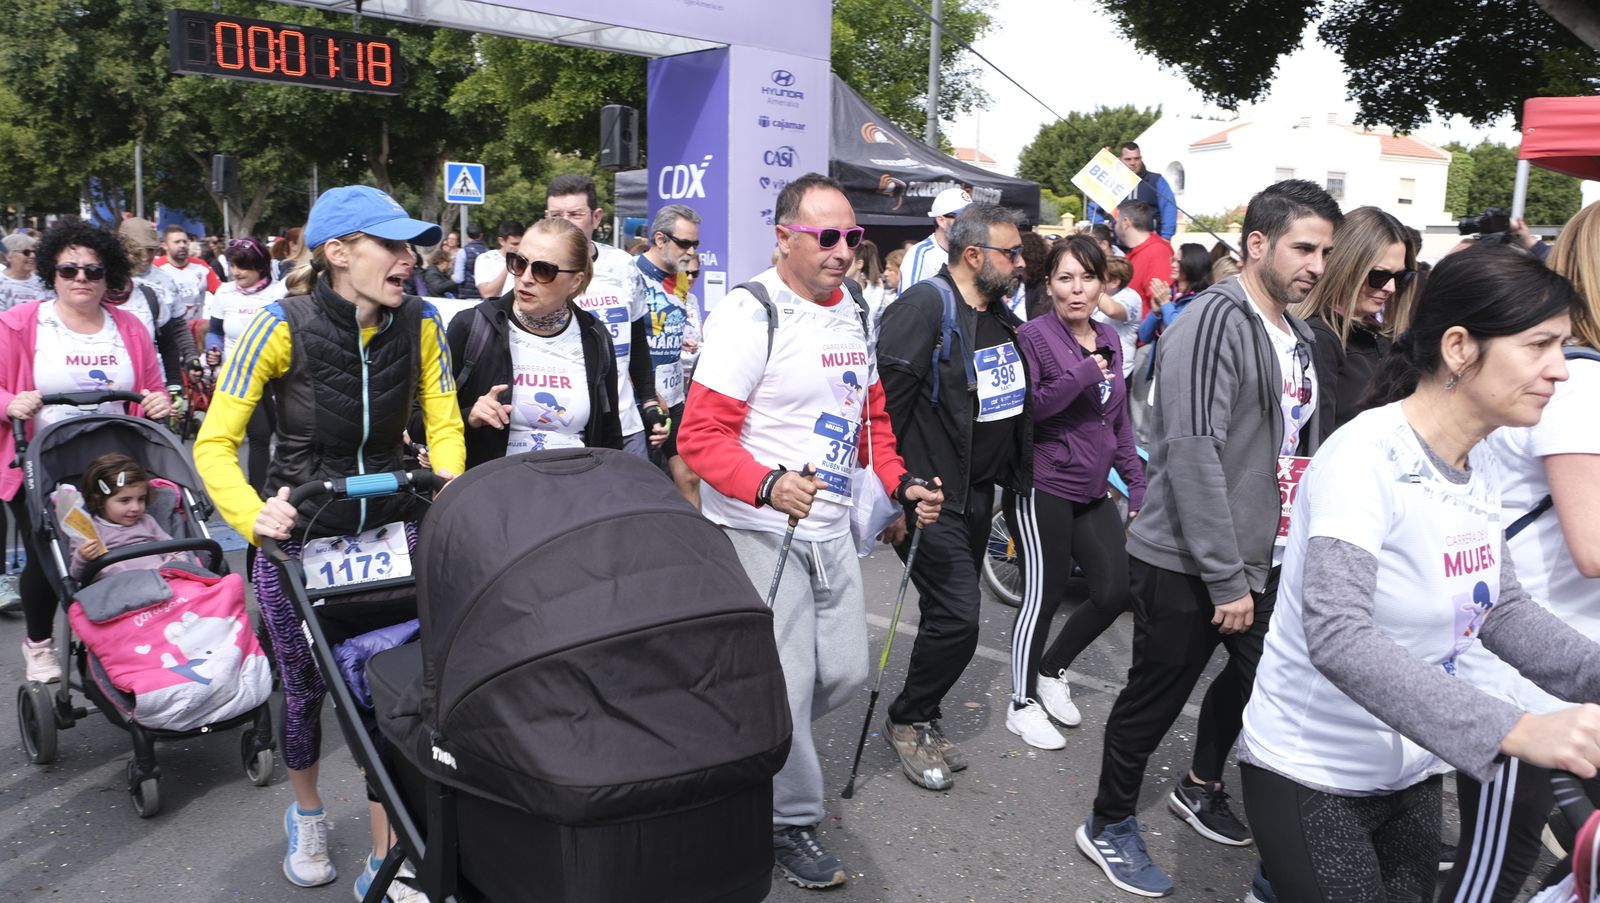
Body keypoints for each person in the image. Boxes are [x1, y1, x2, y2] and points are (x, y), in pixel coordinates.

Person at [1237, 243, 1600, 903]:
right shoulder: (1364, 457)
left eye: (1563, 347)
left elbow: (1499, 609)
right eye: (1540, 346)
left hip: (1410, 770)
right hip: (1310, 772)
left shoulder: (1479, 459)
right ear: (1460, 347)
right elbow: (1339, 632)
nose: (1562, 371)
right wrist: (1515, 728)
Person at [193, 185, 464, 901]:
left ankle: (386, 850)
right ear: (339, 254)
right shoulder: (278, 325)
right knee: (306, 689)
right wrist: (253, 516)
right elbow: (215, 443)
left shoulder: (425, 323)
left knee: (396, 689)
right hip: (301, 536)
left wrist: (451, 484)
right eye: (393, 246)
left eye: (413, 247)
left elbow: (446, 425)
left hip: (394, 530)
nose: (410, 260)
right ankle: (307, 812)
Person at [677, 172, 942, 891]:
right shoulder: (751, 312)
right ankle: (788, 820)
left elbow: (872, 419)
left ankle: (740, 743)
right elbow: (698, 437)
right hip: (759, 528)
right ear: (785, 236)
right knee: (789, 687)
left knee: (847, 673)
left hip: (829, 530)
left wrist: (899, 482)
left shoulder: (853, 309)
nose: (843, 250)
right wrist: (766, 482)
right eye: (826, 236)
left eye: (851, 236)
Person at [1077, 180, 1339, 898]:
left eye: (1325, 250)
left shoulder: (1299, 332)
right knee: (1153, 699)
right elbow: (1190, 452)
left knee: (1267, 684)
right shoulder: (1212, 321)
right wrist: (1227, 578)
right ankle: (1107, 821)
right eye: (1304, 247)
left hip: (1269, 554)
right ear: (1258, 244)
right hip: (1189, 560)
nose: (1317, 264)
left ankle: (1201, 785)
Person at [1442, 204, 1600, 902]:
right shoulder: (1582, 383)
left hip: (1564, 666)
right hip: (1524, 677)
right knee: (1493, 871)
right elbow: (1592, 546)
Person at [876, 202, 1032, 789]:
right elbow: (882, 409)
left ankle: (923, 712)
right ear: (974, 255)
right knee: (961, 619)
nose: (1020, 263)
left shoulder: (999, 315)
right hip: (927, 496)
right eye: (1010, 253)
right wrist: (893, 496)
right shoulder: (923, 307)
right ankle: (908, 718)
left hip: (976, 498)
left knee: (947, 617)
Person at [3, 220, 173, 683]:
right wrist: (10, 402)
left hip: (112, 462)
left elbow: (153, 390)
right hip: (42, 460)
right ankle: (39, 643)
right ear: (51, 273)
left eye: (93, 271)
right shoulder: (21, 324)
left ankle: (131, 628)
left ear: (108, 275)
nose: (81, 278)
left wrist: (160, 401)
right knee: (49, 555)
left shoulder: (129, 326)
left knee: (128, 546)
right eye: (68, 269)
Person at [1004, 235, 1145, 750]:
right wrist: (1080, 375)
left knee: (1113, 590)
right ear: (1049, 285)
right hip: (1043, 483)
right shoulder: (1032, 336)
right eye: (1065, 278)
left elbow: (1118, 420)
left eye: (1087, 277)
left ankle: (1051, 669)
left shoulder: (1108, 333)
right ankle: (1021, 703)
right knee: (1043, 595)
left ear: (1103, 283)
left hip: (1092, 488)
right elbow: (1031, 410)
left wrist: (1137, 482)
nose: (1077, 289)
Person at [449, 217, 623, 464]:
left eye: (543, 270)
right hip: (493, 494)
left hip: (574, 494)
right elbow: (417, 422)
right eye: (519, 263)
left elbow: (610, 435)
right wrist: (469, 416)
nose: (526, 277)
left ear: (575, 281)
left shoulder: (594, 336)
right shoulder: (473, 326)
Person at [545, 173, 665, 458]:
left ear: (596, 218)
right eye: (555, 215)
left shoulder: (622, 265)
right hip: (560, 431)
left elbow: (636, 340)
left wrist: (648, 401)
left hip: (625, 427)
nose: (565, 223)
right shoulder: (531, 271)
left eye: (575, 214)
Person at [1290, 206, 1417, 439]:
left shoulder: (1385, 337)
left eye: (1401, 277)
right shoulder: (1319, 337)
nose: (1390, 287)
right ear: (1347, 267)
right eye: (1379, 275)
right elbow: (1318, 442)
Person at [204, 237, 289, 495]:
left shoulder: (279, 292)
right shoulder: (225, 293)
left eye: (243, 267)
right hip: (241, 376)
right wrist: (213, 349)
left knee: (285, 437)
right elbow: (215, 332)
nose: (236, 272)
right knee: (259, 437)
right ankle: (259, 498)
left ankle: (286, 491)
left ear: (260, 267)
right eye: (233, 265)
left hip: (277, 376)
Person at [636, 204, 703, 505]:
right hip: (643, 398)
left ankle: (699, 547)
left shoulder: (680, 278)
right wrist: (647, 392)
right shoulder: (632, 275)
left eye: (695, 244)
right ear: (660, 240)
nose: (690, 252)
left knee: (689, 475)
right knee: (646, 483)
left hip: (675, 396)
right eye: (684, 243)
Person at [67, 453, 194, 582]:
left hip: (162, 579)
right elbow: (77, 576)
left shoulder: (147, 521)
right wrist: (82, 557)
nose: (136, 508)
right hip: (118, 588)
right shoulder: (88, 531)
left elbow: (175, 550)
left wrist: (171, 566)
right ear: (100, 501)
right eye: (125, 500)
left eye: (141, 499)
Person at [1086, 142, 1179, 240]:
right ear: (1119, 160)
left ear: (1141, 158)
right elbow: (1094, 208)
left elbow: (1169, 209)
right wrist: (1102, 229)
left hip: (1150, 243)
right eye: (1128, 159)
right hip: (1117, 245)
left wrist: (1166, 237)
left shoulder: (1156, 181)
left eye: (1136, 158)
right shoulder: (1109, 181)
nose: (1133, 163)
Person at [1136, 242, 1213, 348]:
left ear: (1194, 264)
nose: (1173, 265)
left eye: (1179, 262)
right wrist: (1156, 313)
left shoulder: (1202, 299)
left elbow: (1179, 330)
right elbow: (1144, 336)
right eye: (1173, 260)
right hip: (1158, 362)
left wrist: (1165, 303)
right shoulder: (1169, 294)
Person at [899, 187, 971, 292]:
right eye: (963, 218)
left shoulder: (972, 252)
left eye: (972, 217)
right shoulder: (921, 254)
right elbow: (909, 304)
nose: (970, 223)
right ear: (941, 221)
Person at [1114, 199, 1175, 320]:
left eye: (1116, 221)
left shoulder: (1157, 252)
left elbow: (1160, 304)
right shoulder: (1136, 252)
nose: (1113, 226)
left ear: (1125, 222)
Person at [152, 226, 220, 322]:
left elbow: (221, 293)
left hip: (195, 330)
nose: (182, 245)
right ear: (165, 246)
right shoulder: (156, 268)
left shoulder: (201, 266)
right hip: (168, 330)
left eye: (185, 241)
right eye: (177, 242)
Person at [1096, 257, 1141, 379]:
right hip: (1095, 368)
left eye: (1099, 277)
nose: (1095, 280)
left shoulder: (1130, 297)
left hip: (1119, 372)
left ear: (1115, 282)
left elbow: (1112, 310)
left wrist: (1093, 289)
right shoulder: (1100, 296)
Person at [473, 219, 524, 300]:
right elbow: (487, 293)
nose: (519, 248)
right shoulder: (486, 259)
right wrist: (510, 264)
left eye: (522, 243)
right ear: (502, 241)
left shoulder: (527, 260)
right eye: (515, 244)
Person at [1, 232, 52, 311]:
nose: (33, 256)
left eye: (34, 252)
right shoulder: (2, 283)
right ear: (8, 256)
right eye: (26, 252)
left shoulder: (42, 282)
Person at [453, 222, 488, 300]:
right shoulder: (488, 252)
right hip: (484, 296)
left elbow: (459, 278)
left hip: (467, 296)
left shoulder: (463, 252)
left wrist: (452, 277)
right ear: (481, 235)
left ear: (467, 235)